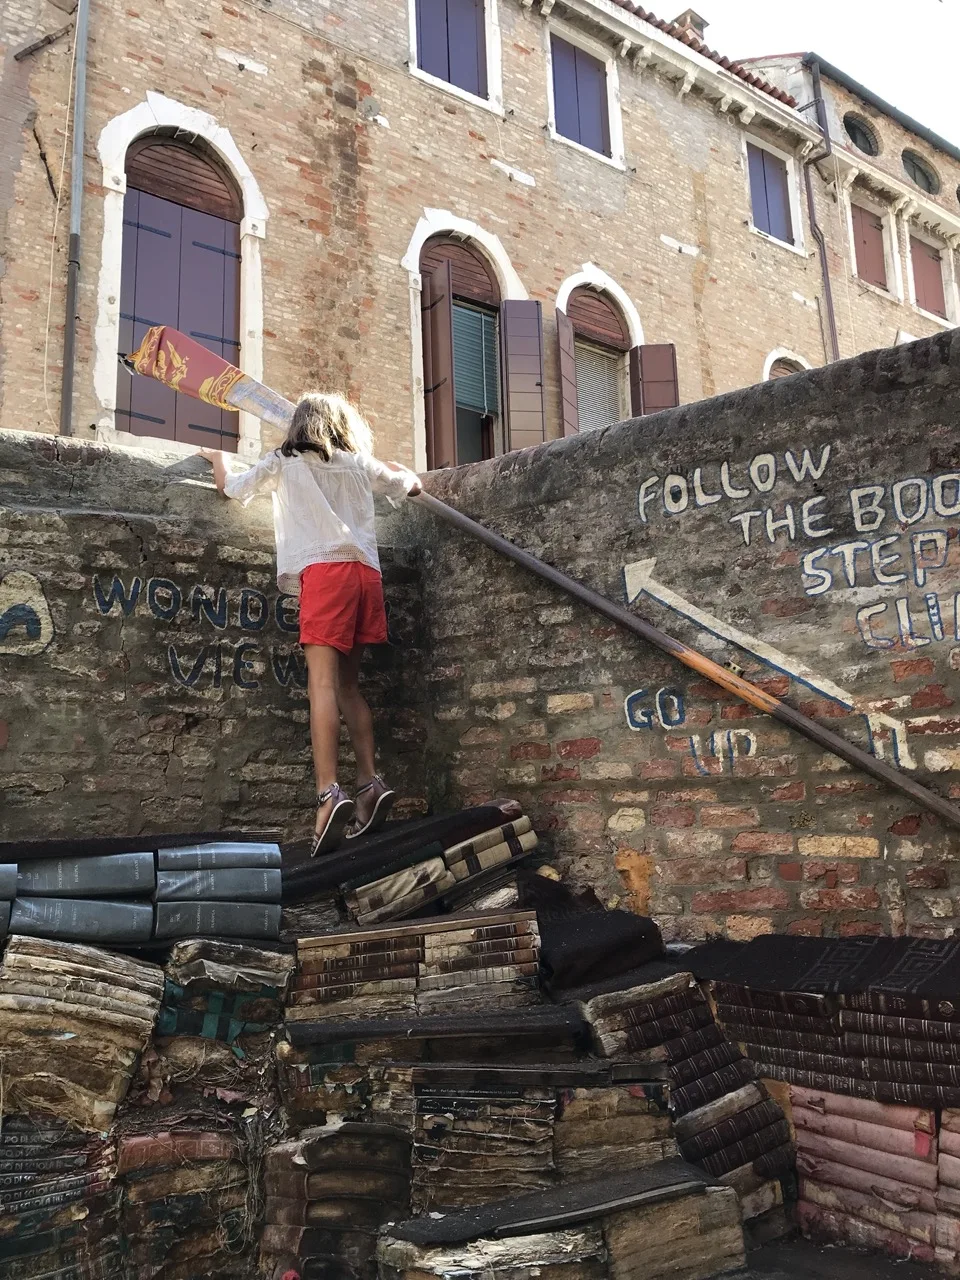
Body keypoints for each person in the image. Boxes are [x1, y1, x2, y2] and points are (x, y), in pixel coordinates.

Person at [201, 393, 421, 857]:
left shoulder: (285, 461)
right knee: (349, 687)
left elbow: (233, 489)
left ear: (298, 425)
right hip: (366, 576)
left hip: (325, 575)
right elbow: (409, 486)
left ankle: (328, 794)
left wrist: (218, 458)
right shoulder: (359, 463)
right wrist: (405, 472)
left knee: (320, 685)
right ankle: (369, 782)